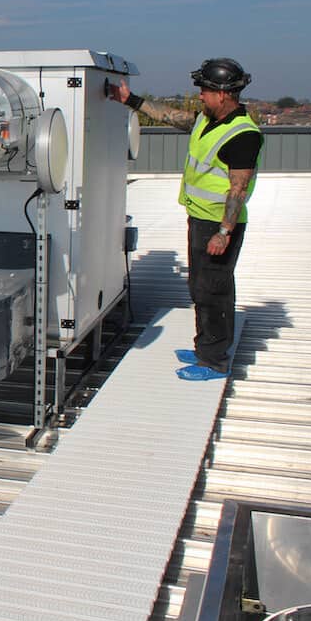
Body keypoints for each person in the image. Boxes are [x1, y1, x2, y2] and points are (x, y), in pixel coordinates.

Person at [111, 58, 263, 381]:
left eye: (205, 91)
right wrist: (131, 100)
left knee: (215, 291)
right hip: (200, 218)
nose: (200, 96)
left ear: (223, 94)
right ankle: (204, 347)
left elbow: (238, 189)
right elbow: (168, 115)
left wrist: (224, 232)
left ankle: (214, 361)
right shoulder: (206, 121)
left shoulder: (243, 135)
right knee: (199, 286)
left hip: (220, 225)